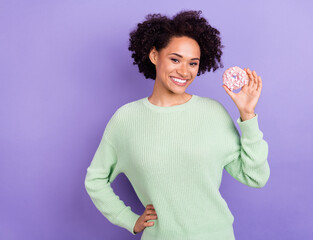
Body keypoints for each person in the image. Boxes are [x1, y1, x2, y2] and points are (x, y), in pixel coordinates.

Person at [84, 10, 270, 240]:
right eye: (175, 59)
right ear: (154, 56)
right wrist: (129, 219)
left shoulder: (213, 113)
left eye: (193, 63)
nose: (184, 71)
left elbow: (255, 177)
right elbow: (95, 180)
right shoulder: (126, 119)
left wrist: (248, 116)